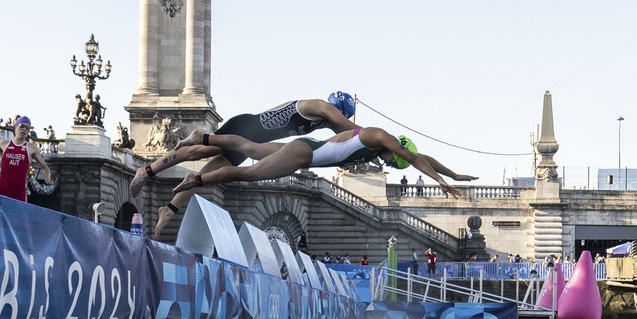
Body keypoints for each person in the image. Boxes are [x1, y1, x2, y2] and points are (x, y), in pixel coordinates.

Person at [132, 93, 361, 236]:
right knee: (195, 151)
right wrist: (378, 142)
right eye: (341, 115)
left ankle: (169, 209)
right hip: (244, 128)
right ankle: (147, 171)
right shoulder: (319, 106)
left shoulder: (321, 122)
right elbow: (350, 129)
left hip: (250, 142)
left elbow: (342, 136)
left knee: (203, 177)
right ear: (339, 109)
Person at [168, 127, 470, 200]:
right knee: (248, 174)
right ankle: (194, 181)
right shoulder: (376, 135)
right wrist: (440, 182)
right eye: (394, 161)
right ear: (396, 148)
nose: (389, 165)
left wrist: (452, 174)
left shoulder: (373, 143)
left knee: (252, 147)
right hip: (304, 155)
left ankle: (202, 137)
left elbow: (422, 157)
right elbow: (415, 158)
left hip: (307, 148)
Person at [0, 116, 52, 202]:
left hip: (19, 192)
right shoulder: (4, 143)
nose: (24, 129)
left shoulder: (31, 148)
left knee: (16, 215)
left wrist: (47, 177)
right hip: (2, 189)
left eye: (27, 128)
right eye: (22, 126)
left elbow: (44, 167)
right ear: (16, 127)